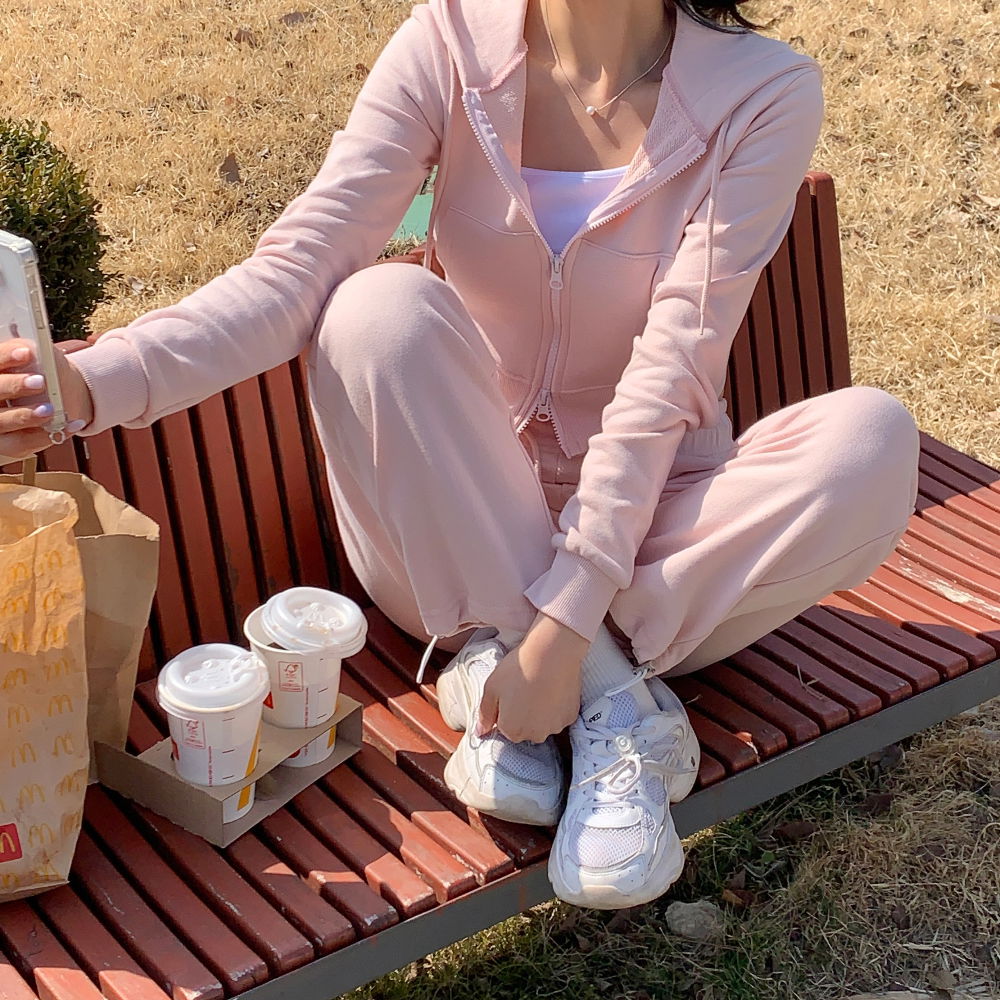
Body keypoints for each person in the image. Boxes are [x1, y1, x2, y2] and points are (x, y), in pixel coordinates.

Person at [0, 0, 919, 908]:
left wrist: (565, 624)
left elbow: (673, 369)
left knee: (870, 442)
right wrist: (91, 384)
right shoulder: (450, 44)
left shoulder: (761, 92)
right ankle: (617, 706)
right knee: (376, 309)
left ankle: (531, 668)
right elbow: (299, 269)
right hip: (451, 523)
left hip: (649, 539)